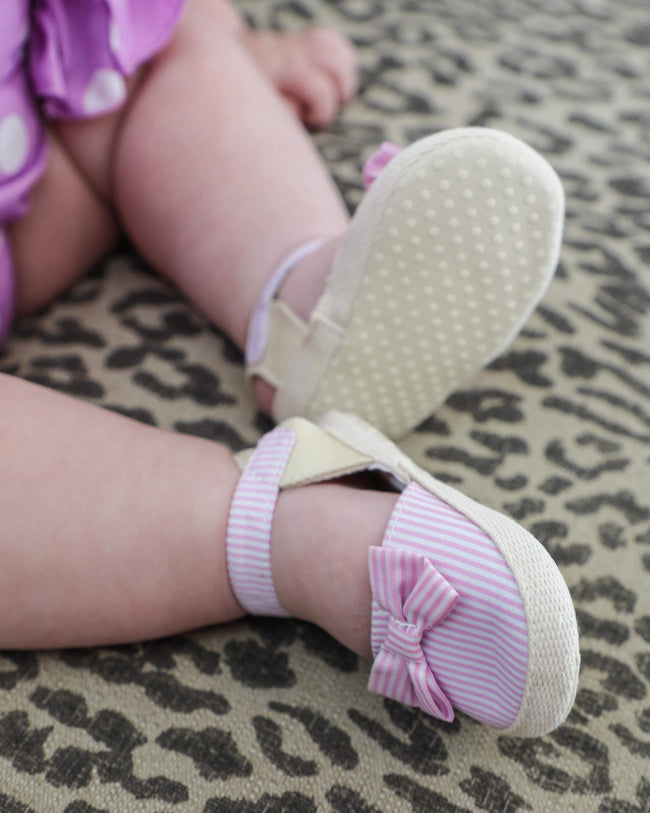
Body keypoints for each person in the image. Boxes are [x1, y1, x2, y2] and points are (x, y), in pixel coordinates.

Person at [0, 0, 579, 736]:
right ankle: (286, 526)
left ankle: (309, 312)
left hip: (44, 120)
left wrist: (228, 40)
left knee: (167, 61)